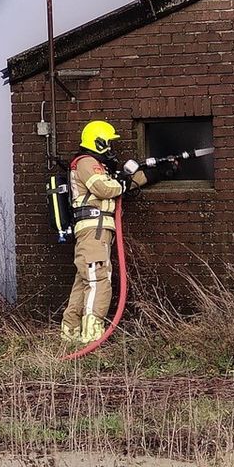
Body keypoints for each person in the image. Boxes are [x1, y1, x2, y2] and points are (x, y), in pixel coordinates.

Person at [62, 121, 175, 344]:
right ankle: (92, 335)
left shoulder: (97, 166)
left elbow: (119, 184)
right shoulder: (87, 162)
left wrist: (156, 175)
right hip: (94, 230)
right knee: (98, 280)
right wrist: (122, 181)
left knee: (85, 281)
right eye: (109, 142)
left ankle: (70, 333)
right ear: (99, 141)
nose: (111, 148)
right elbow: (106, 188)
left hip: (95, 231)